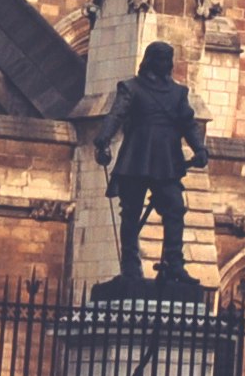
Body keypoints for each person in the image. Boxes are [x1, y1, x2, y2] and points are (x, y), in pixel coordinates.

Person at [89, 39, 211, 286]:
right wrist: (103, 139)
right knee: (131, 214)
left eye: (168, 59)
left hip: (166, 159)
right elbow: (117, 115)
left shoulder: (178, 93)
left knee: (175, 209)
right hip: (137, 156)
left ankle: (173, 265)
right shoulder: (131, 88)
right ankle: (130, 267)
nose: (165, 64)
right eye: (161, 59)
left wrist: (199, 148)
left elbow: (188, 122)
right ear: (150, 61)